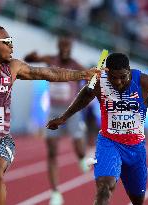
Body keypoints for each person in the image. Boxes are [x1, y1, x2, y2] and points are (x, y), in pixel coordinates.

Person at [0, 25, 100, 205]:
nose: (12, 47)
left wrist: (83, 74)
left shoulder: (13, 67)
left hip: (1, 141)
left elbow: (48, 73)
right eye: (7, 42)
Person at [47, 53, 148, 205]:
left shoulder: (145, 82)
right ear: (107, 73)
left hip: (135, 147)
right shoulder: (100, 82)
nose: (118, 82)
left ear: (129, 71)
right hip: (109, 143)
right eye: (113, 77)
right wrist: (63, 118)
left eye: (123, 77)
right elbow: (85, 95)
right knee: (104, 187)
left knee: (137, 199)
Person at [24, 36, 89, 205]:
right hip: (53, 111)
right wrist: (31, 57)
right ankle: (55, 193)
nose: (65, 50)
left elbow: (91, 79)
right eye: (63, 47)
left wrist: (94, 75)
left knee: (80, 149)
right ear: (59, 47)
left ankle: (81, 157)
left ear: (71, 48)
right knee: (52, 152)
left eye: (68, 47)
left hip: (71, 111)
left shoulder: (76, 65)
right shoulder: (50, 59)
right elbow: (30, 60)